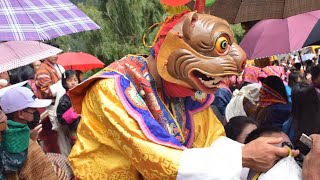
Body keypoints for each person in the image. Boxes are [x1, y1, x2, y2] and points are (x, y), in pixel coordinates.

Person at [68, 11, 296, 179]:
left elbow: (211, 140)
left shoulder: (187, 91)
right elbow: (155, 160)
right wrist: (243, 157)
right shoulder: (113, 88)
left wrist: (260, 153)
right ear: (172, 48)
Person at [0, 87, 57, 179]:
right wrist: (30, 141)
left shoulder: (6, 136)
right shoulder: (29, 146)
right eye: (34, 110)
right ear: (21, 114)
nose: (37, 113)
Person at [56, 70, 81, 148]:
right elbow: (61, 119)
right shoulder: (64, 100)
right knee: (77, 148)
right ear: (64, 82)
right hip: (74, 130)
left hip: (87, 126)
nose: (73, 83)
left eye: (75, 80)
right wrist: (73, 112)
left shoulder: (83, 94)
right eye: (69, 80)